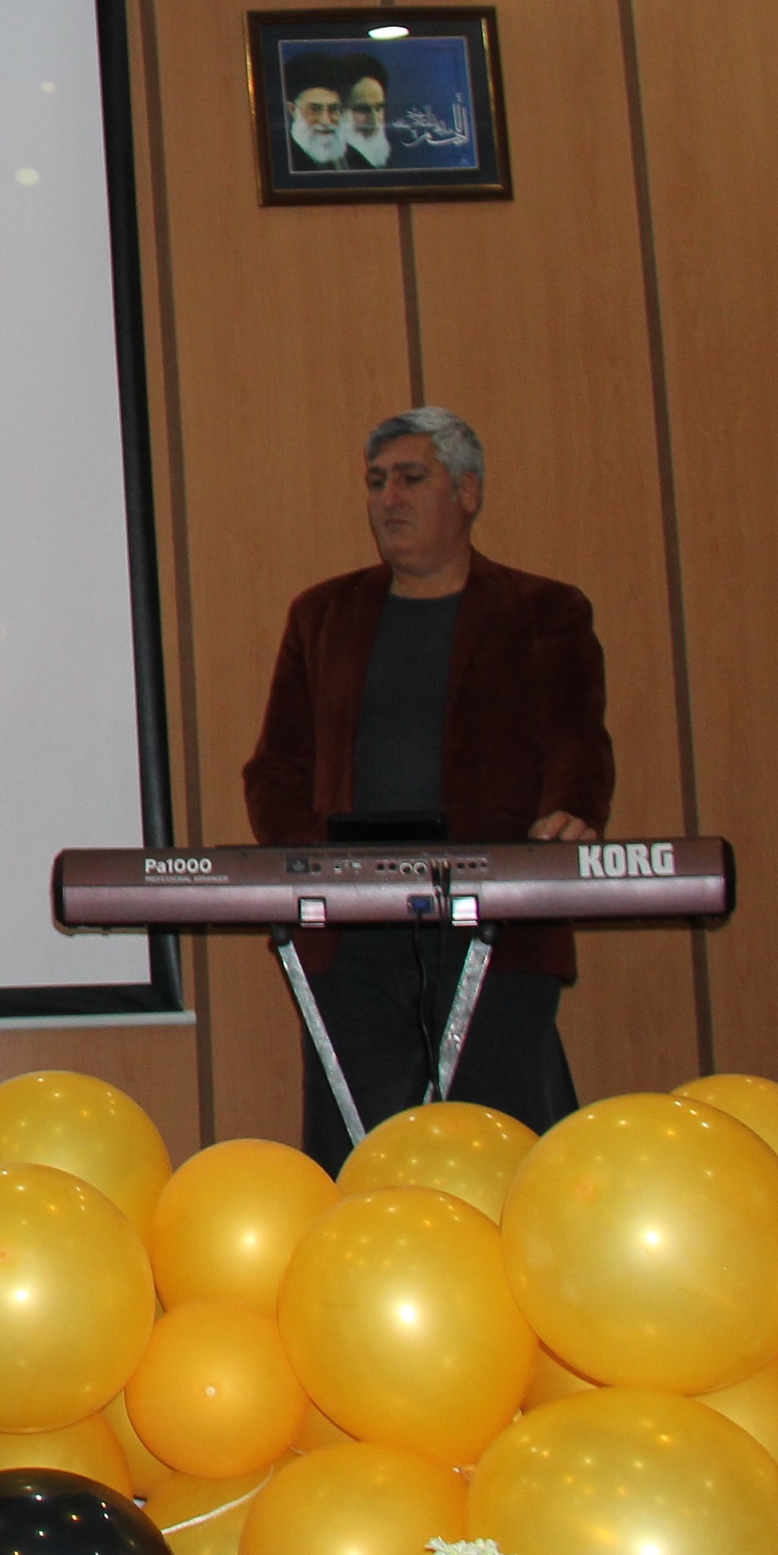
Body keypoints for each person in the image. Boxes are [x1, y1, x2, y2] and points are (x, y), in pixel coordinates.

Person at [241, 405, 614, 1165]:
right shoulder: (322, 615)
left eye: (411, 478)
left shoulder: (544, 611)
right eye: (376, 481)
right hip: (351, 941)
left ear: (468, 493)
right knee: (361, 1154)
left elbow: (577, 737)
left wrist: (571, 810)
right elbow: (275, 768)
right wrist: (311, 860)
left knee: (501, 1147)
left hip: (496, 931)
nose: (388, 499)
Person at [280, 50, 392, 173]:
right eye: (314, 109)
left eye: (333, 109)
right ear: (292, 109)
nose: (326, 121)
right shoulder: (281, 161)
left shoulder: (356, 160)